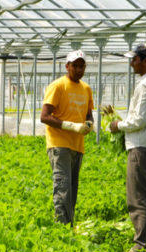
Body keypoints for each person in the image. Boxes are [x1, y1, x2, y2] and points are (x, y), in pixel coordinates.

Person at [110, 44, 146, 252]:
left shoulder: (145, 85)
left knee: (138, 196)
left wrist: (118, 125)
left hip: (142, 145)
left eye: (134, 59)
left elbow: (139, 120)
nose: (131, 63)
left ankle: (142, 244)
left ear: (144, 60)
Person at [39, 50, 94, 225]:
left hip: (77, 145)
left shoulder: (86, 88)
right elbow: (44, 116)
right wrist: (70, 125)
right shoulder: (58, 86)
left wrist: (88, 125)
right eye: (75, 66)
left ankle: (69, 224)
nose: (78, 69)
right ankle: (62, 229)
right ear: (67, 66)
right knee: (63, 187)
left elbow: (88, 114)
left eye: (81, 66)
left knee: (72, 189)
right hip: (59, 144)